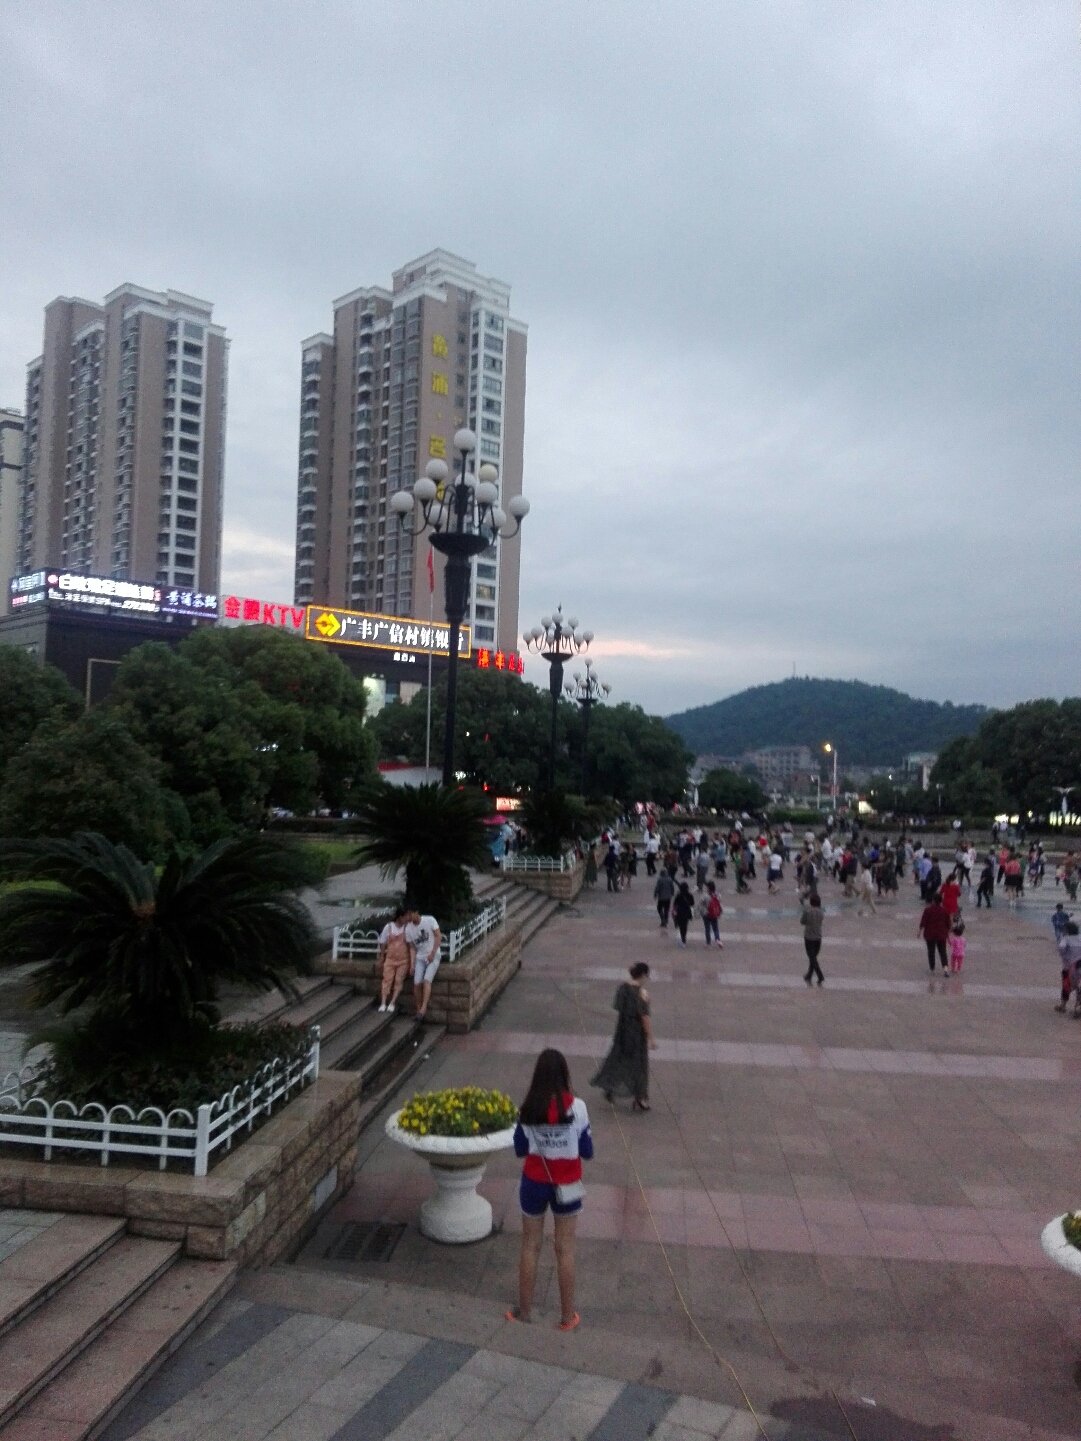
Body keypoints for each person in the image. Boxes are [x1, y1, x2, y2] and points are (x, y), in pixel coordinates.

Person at [507, 1048, 593, 1331]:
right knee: (565, 1249)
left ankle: (524, 1313)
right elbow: (587, 1150)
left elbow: (520, 1149)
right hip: (567, 1185)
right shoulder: (578, 1108)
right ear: (564, 1075)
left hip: (534, 1183)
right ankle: (567, 1318)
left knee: (530, 1246)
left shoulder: (528, 1109)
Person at [590, 962, 655, 1111]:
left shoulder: (623, 988)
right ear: (643, 975)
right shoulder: (642, 993)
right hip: (636, 1035)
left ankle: (610, 1087)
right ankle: (640, 1098)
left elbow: (618, 1006)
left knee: (618, 1059)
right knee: (639, 1064)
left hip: (622, 1031)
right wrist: (651, 1038)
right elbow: (644, 1017)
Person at [405, 908, 442, 1020]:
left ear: (416, 912)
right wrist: (412, 964)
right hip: (420, 957)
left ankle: (423, 1008)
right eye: (407, 916)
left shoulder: (429, 920)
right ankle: (418, 1009)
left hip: (433, 955)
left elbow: (438, 936)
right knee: (417, 983)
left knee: (427, 980)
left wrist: (433, 953)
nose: (409, 918)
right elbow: (412, 947)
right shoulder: (408, 929)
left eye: (410, 914)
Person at [376, 906, 413, 1013]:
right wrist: (382, 956)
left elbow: (410, 945)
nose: (407, 918)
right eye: (405, 916)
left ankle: (392, 1002)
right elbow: (383, 942)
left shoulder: (407, 928)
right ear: (400, 917)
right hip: (390, 959)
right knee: (387, 979)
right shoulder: (388, 927)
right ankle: (383, 1002)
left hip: (403, 960)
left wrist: (411, 962)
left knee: (398, 980)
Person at [918, 891, 950, 974]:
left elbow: (923, 922)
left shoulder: (928, 910)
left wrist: (919, 932)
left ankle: (932, 969)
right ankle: (945, 968)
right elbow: (948, 923)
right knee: (942, 951)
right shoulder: (945, 911)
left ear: (933, 900)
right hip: (941, 934)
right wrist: (948, 934)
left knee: (931, 951)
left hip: (930, 934)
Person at [1054, 921, 1081, 1016]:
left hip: (1069, 967)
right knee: (1079, 987)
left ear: (1067, 930)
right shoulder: (1080, 937)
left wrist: (1065, 956)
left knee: (1066, 986)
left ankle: (1063, 1006)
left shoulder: (1066, 938)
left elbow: (1061, 947)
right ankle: (1078, 1008)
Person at [800, 892, 825, 985]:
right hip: (818, 937)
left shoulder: (807, 911)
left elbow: (802, 921)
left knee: (812, 957)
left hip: (809, 937)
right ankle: (809, 975)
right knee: (813, 957)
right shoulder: (821, 912)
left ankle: (820, 975)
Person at [672, 881, 695, 946]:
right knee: (685, 926)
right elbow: (692, 903)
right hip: (687, 912)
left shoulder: (679, 895)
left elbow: (675, 904)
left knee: (680, 925)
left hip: (679, 912)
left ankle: (683, 938)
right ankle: (683, 938)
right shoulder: (690, 895)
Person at [700, 880, 723, 947]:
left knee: (707, 928)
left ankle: (708, 942)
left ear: (708, 888)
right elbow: (719, 903)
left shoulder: (705, 895)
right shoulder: (718, 895)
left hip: (706, 914)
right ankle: (718, 939)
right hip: (714, 913)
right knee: (715, 928)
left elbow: (701, 903)